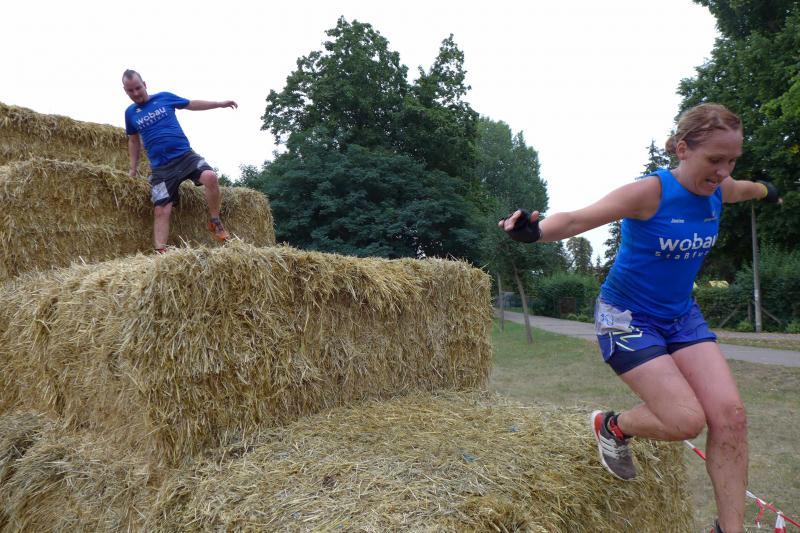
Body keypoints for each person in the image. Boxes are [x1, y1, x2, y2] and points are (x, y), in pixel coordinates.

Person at [498, 103, 782, 533]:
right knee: (686, 420)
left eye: (732, 160)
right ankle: (613, 425)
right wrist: (534, 232)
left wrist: (767, 190)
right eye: (714, 159)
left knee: (732, 417)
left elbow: (745, 188)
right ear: (682, 149)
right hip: (627, 318)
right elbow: (576, 220)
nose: (724, 171)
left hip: (681, 317)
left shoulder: (720, 190)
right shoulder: (650, 192)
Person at [122, 69, 237, 253]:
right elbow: (134, 141)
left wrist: (219, 104)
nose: (135, 93)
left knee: (210, 177)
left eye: (138, 88)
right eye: (130, 90)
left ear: (145, 84)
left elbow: (191, 104)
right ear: (125, 91)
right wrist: (132, 170)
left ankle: (215, 221)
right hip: (161, 169)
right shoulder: (130, 113)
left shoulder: (164, 97)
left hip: (185, 157)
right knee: (161, 209)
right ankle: (161, 251)